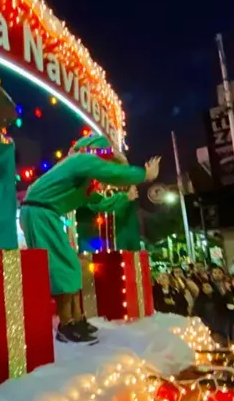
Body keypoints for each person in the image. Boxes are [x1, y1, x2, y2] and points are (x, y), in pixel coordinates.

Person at [19, 134, 160, 344]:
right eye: (108, 157)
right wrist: (143, 175)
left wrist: (124, 197)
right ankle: (66, 325)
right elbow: (109, 172)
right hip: (39, 213)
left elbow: (98, 204)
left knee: (72, 266)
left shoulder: (85, 178)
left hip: (45, 214)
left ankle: (77, 320)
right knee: (62, 268)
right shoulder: (80, 160)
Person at [192, 281, 228, 346]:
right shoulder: (199, 300)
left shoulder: (219, 299)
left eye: (207, 286)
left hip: (220, 327)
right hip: (206, 326)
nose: (205, 289)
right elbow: (197, 314)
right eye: (203, 287)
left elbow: (224, 314)